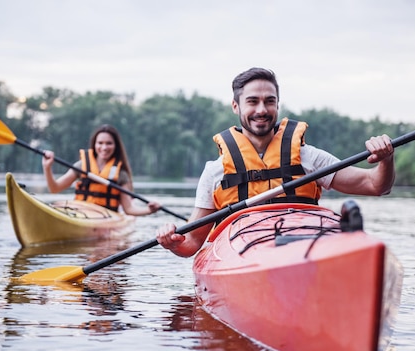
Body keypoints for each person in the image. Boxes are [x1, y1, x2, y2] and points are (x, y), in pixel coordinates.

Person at [156, 67, 395, 257]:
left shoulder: (308, 157)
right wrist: (172, 242)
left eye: (269, 101)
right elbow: (192, 243)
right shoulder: (215, 172)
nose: (262, 109)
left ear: (277, 105)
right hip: (242, 251)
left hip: (305, 241)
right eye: (252, 101)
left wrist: (386, 159)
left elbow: (375, 185)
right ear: (236, 106)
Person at [42, 124, 161, 216]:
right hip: (80, 213)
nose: (104, 147)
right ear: (94, 144)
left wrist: (149, 210)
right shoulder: (81, 166)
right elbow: (55, 188)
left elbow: (129, 209)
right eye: (100, 143)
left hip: (105, 217)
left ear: (115, 146)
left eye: (109, 143)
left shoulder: (121, 174)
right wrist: (47, 168)